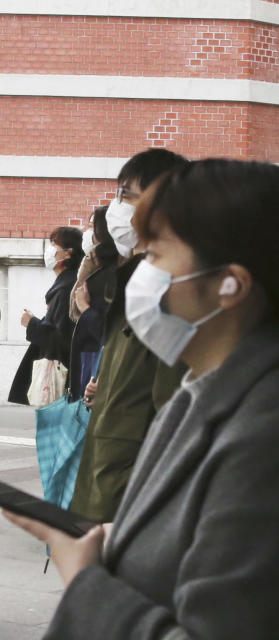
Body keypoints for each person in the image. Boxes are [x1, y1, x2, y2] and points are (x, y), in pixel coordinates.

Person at [3, 159, 279, 639]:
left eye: (157, 255)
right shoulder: (207, 394)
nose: (142, 272)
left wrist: (88, 580)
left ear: (230, 285)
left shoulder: (277, 434)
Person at [70, 148, 190, 523]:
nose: (116, 208)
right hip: (113, 456)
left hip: (132, 473)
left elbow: (172, 400)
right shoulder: (136, 273)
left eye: (126, 195)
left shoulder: (172, 283)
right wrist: (105, 385)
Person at [8, 226, 84, 405]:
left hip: (59, 371)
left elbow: (61, 337)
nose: (49, 250)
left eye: (54, 244)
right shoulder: (66, 284)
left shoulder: (66, 288)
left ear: (67, 253)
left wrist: (31, 323)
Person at [66, 205, 119, 402]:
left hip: (98, 356)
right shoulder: (95, 266)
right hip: (89, 351)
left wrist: (85, 308)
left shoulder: (111, 272)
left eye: (92, 227)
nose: (87, 234)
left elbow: (110, 329)